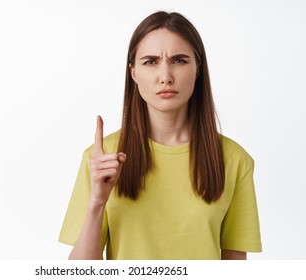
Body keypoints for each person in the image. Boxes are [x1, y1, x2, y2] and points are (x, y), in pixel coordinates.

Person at [59, 11, 262, 260]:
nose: (165, 76)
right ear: (133, 72)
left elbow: (235, 265)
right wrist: (97, 203)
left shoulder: (234, 160)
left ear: (198, 69)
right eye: (150, 61)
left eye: (179, 60)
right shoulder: (102, 159)